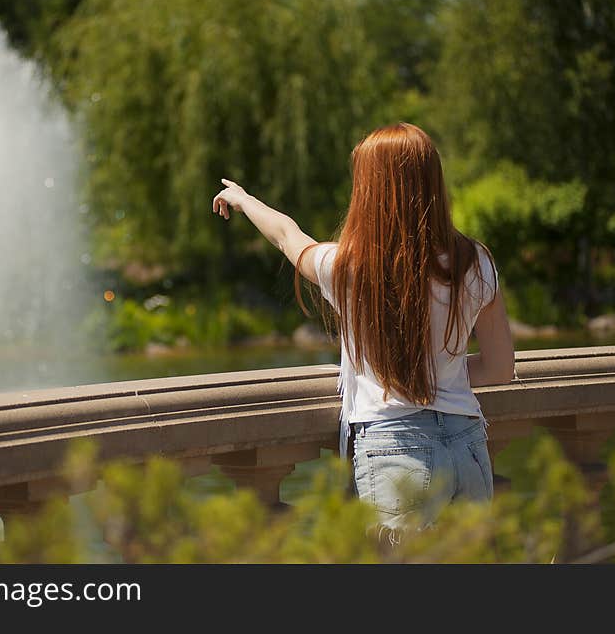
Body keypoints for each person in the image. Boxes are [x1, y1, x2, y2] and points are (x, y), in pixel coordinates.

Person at [211, 122, 515, 541]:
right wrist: (439, 377)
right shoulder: (475, 262)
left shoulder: (350, 268)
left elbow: (287, 236)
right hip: (467, 446)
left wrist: (244, 200)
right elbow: (500, 368)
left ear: (370, 191)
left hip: (395, 450)